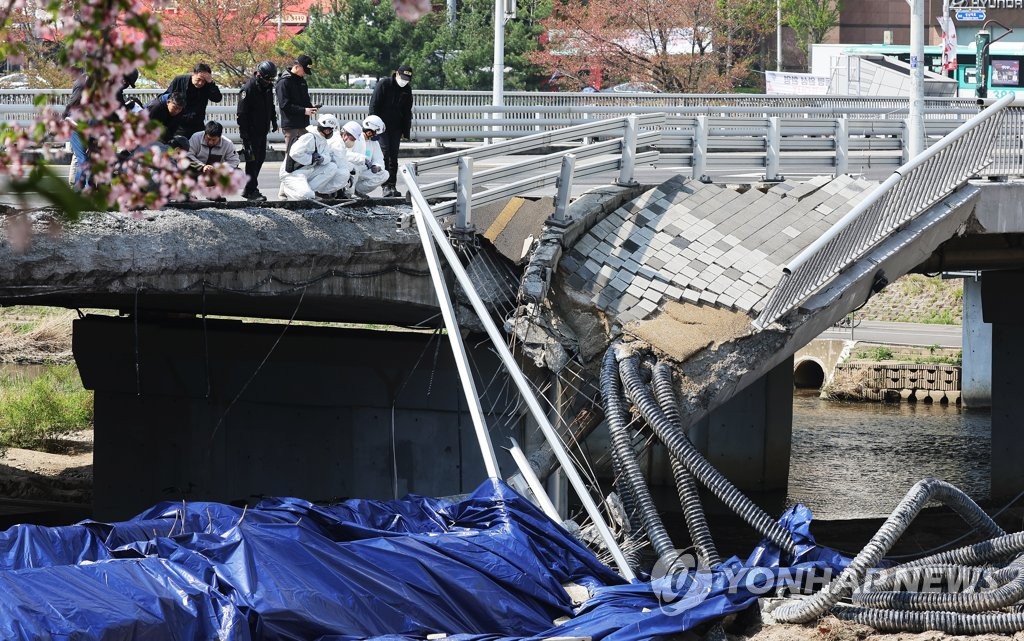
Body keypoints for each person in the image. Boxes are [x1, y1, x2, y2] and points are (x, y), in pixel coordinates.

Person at [278, 113, 350, 201]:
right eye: (325, 129)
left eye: (329, 130)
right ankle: (287, 190)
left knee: (332, 167)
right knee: (307, 196)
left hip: (307, 170)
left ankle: (310, 191)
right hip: (294, 173)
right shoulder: (309, 136)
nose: (327, 132)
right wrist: (311, 158)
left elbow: (327, 157)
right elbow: (294, 153)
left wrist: (322, 158)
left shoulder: (322, 140)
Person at [237, 60, 279, 202]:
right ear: (259, 75)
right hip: (250, 131)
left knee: (260, 159)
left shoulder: (267, 87)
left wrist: (273, 120)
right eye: (267, 79)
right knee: (252, 161)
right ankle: (252, 190)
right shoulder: (248, 89)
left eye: (271, 79)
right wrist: (244, 137)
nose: (269, 82)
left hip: (262, 130)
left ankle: (249, 188)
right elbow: (241, 114)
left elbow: (271, 105)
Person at [369, 63, 413, 198]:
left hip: (396, 128)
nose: (404, 81)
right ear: (397, 74)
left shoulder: (407, 89)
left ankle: (392, 185)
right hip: (380, 127)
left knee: (394, 157)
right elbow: (374, 105)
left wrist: (406, 132)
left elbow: (407, 112)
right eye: (403, 77)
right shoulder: (384, 84)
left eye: (407, 79)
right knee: (385, 154)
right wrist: (372, 126)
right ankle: (385, 186)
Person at [160, 63, 222, 138]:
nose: (200, 83)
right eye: (198, 79)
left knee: (199, 147)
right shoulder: (180, 80)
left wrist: (211, 83)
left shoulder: (208, 85)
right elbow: (167, 97)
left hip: (197, 123)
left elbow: (217, 98)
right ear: (193, 74)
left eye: (204, 81)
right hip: (178, 123)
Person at [184, 120, 241, 201]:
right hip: (197, 171)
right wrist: (202, 166)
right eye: (208, 139)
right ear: (205, 134)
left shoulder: (227, 143)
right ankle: (187, 193)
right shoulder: (196, 137)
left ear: (220, 136)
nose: (210, 142)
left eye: (214, 140)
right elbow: (188, 155)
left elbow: (234, 161)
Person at [276, 54, 318, 154]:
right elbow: (285, 105)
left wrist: (311, 107)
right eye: (304, 70)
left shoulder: (302, 81)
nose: (305, 74)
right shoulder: (284, 82)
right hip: (291, 126)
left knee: (306, 153)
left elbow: (305, 101)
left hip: (303, 125)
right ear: (297, 66)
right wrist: (304, 110)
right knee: (291, 156)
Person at [352, 115, 389, 197]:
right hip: (352, 170)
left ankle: (357, 191)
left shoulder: (374, 143)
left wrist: (377, 167)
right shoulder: (355, 138)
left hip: (364, 171)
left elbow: (379, 159)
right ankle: (346, 191)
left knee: (384, 174)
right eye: (374, 133)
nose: (375, 136)